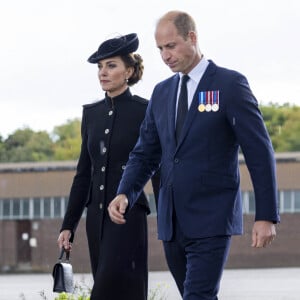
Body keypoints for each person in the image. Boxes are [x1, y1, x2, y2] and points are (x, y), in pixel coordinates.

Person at [108, 11, 280, 300]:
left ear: (192, 38)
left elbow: (259, 152)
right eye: (160, 49)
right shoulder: (162, 93)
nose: (165, 55)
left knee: (198, 297)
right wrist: (125, 191)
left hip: (212, 218)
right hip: (172, 223)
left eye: (171, 46)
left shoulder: (229, 85)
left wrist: (266, 216)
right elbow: (145, 153)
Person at [57, 33, 159, 300]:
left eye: (111, 65)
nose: (103, 72)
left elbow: (157, 167)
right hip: (96, 217)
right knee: (111, 287)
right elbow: (83, 175)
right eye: (100, 67)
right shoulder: (91, 114)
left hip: (128, 216)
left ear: (129, 71)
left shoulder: (146, 110)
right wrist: (68, 225)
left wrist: (169, 220)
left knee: (111, 288)